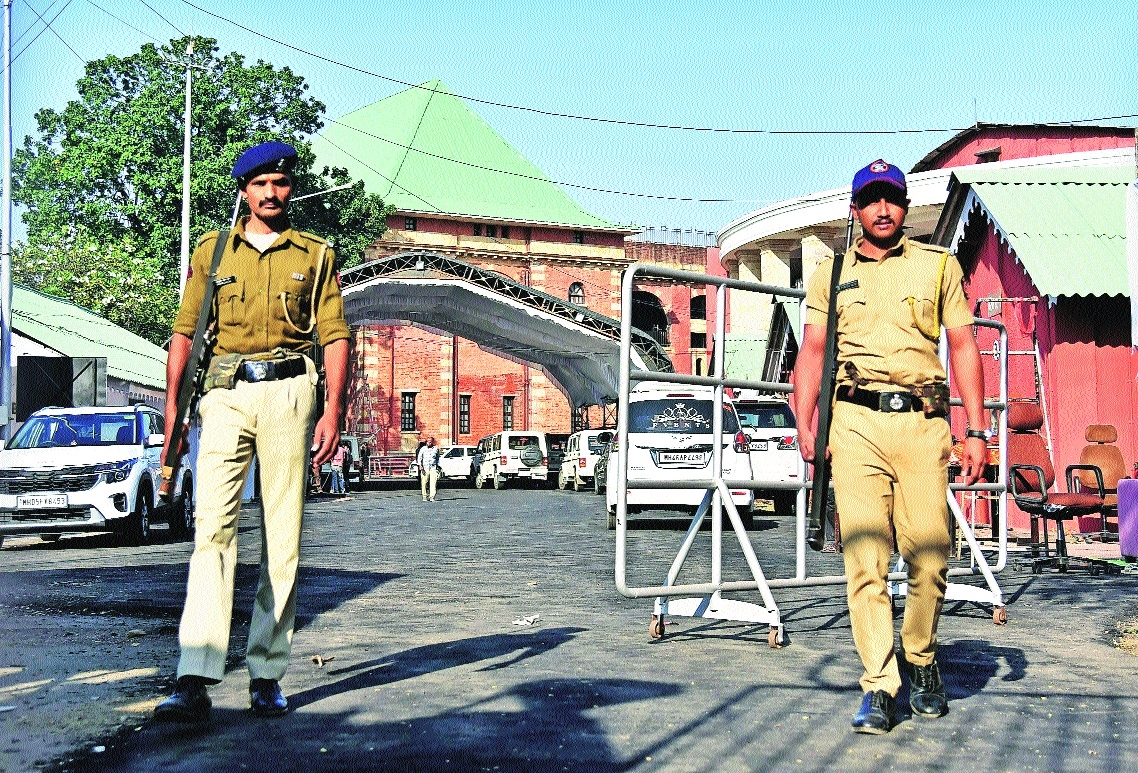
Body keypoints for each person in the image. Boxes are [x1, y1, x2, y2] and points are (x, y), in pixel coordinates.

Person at [154, 141, 350, 723]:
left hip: (291, 393)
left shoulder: (316, 255)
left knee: (281, 537)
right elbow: (185, 334)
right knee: (212, 531)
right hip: (225, 394)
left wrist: (332, 411)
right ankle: (196, 673)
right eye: (260, 184)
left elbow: (335, 335)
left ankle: (267, 672)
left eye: (281, 184)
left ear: (291, 189)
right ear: (243, 189)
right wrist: (173, 410)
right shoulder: (213, 253)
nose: (271, 193)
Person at [792, 159, 987, 735]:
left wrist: (975, 431)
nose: (882, 210)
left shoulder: (937, 266)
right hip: (855, 424)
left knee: (929, 555)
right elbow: (813, 349)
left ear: (905, 207)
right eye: (871, 200)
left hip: (924, 424)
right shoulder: (830, 273)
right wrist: (806, 423)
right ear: (854, 209)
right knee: (865, 558)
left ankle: (920, 656)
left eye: (892, 200)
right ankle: (879, 685)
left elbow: (963, 346)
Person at [417, 436, 441, 502]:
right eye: (428, 441)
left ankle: (432, 497)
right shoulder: (423, 449)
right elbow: (419, 457)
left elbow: (438, 458)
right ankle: (424, 496)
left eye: (430, 442)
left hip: (433, 468)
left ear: (432, 442)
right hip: (425, 468)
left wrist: (438, 466)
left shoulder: (436, 449)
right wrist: (420, 465)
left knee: (433, 483)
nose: (429, 443)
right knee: (424, 483)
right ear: (426, 442)